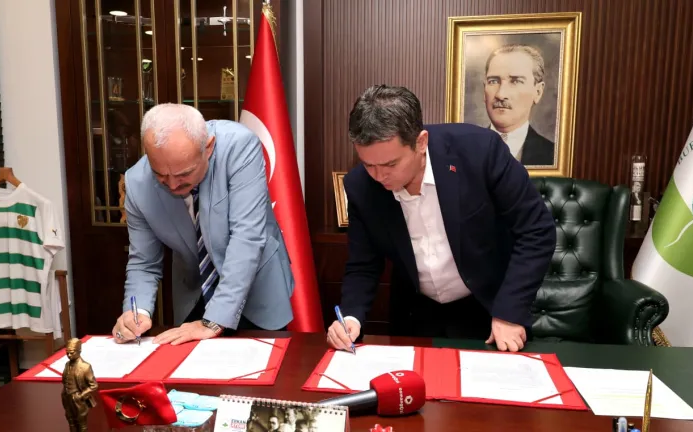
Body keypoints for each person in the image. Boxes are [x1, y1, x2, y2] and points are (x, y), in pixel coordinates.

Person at [326, 85, 556, 353]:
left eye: (390, 164)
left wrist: (510, 312)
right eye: (368, 164)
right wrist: (351, 317)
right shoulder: (360, 186)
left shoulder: (480, 151)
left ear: (421, 142)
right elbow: (363, 264)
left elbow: (536, 230)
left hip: (489, 307)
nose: (379, 176)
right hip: (415, 314)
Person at [112, 103, 294, 345]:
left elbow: (247, 238)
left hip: (258, 291)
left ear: (208, 148)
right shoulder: (137, 183)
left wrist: (214, 321)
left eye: (184, 174)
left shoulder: (239, 146)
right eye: (161, 175)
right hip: (195, 294)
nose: (173, 185)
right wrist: (136, 312)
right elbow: (144, 262)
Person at [483, 44, 554, 166]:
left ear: (538, 92)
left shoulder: (554, 156)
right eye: (493, 81)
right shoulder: (460, 151)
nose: (500, 94)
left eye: (516, 81)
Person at [61, 338, 98, 432]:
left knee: (81, 423)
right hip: (67, 397)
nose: (69, 355)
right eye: (67, 353)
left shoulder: (85, 366)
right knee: (71, 420)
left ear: (79, 351)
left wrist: (81, 395)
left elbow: (94, 385)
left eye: (71, 353)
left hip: (78, 399)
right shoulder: (67, 364)